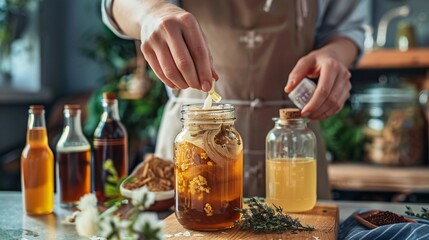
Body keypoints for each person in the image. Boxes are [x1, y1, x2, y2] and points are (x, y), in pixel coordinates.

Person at [101, 0, 365, 198]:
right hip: (193, 133)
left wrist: (335, 54)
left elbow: (348, 28)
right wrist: (150, 12)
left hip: (293, 138)